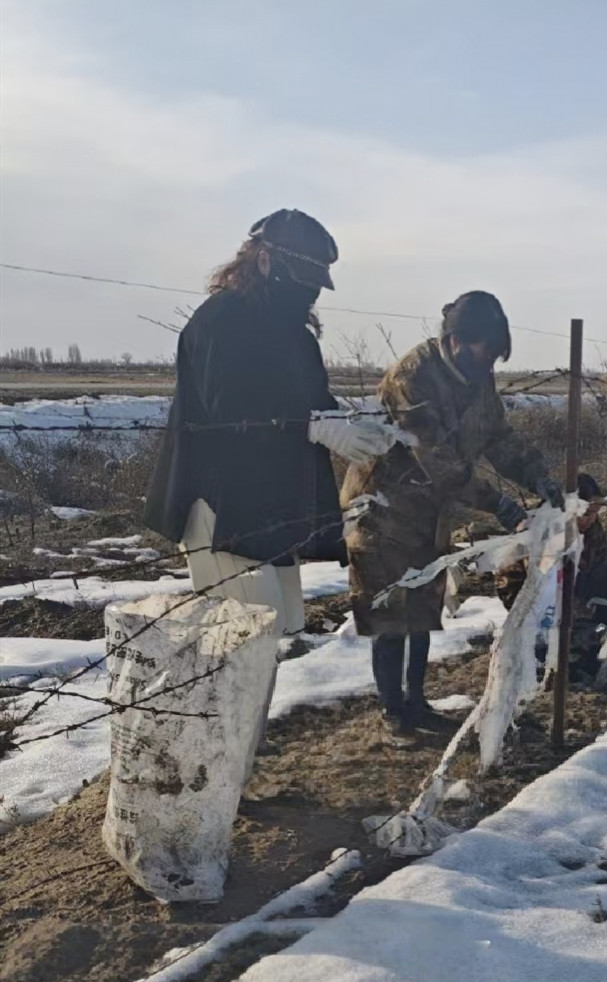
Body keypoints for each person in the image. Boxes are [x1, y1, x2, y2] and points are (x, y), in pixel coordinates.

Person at [144, 209, 398, 773]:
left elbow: (311, 398)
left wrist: (350, 423)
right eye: (303, 279)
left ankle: (241, 763)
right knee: (233, 647)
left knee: (265, 642)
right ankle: (215, 769)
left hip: (271, 508)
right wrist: (309, 423)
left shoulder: (292, 332)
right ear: (264, 261)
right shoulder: (219, 321)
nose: (310, 294)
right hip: (224, 506)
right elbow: (222, 408)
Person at [341, 291, 563, 737]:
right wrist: (498, 504)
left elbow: (497, 437)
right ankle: (394, 713)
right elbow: (437, 460)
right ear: (458, 342)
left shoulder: (477, 376)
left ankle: (416, 703)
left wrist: (536, 476)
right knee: (390, 612)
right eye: (485, 356)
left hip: (430, 512)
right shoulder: (412, 377)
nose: (489, 369)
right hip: (384, 510)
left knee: (422, 608)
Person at [496, 473, 607, 681]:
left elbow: (603, 561)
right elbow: (533, 587)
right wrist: (579, 608)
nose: (591, 519)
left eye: (595, 512)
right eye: (586, 512)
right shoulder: (542, 530)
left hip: (572, 596)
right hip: (533, 606)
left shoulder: (590, 529)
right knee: (560, 651)